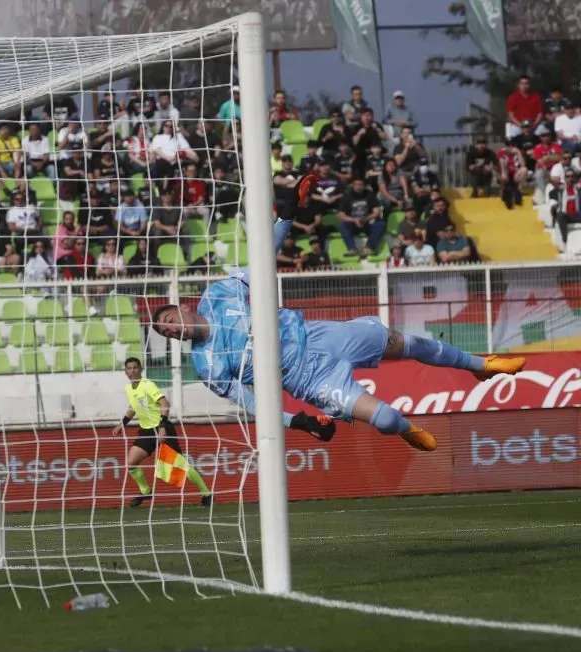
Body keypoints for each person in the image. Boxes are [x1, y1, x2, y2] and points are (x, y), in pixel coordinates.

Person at [148, 173, 527, 452]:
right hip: (307, 377)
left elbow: (262, 262)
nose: (172, 331)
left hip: (318, 334)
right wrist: (296, 421)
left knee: (406, 343)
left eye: (169, 322)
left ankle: (480, 365)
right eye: (166, 334)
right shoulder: (207, 366)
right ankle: (407, 428)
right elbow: (252, 404)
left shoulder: (218, 295)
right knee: (386, 419)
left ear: (183, 308)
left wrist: (287, 216)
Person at [110, 357, 212, 508]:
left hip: (162, 428)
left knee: (181, 465)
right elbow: (133, 407)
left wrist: (163, 427)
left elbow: (165, 404)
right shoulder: (128, 389)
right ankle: (146, 491)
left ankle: (207, 494)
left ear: (140, 369)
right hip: (146, 431)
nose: (132, 371)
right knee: (131, 463)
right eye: (129, 368)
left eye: (135, 368)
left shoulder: (148, 385)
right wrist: (122, 424)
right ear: (125, 372)